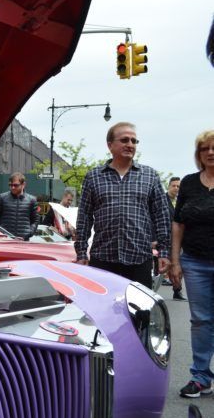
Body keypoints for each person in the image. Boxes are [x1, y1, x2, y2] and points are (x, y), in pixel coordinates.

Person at [75, 122, 171, 288]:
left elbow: (161, 216)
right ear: (110, 145)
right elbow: (84, 216)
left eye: (134, 141)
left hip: (139, 258)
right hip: (103, 259)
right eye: (125, 140)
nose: (130, 145)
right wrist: (82, 252)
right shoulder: (94, 177)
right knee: (103, 311)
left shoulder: (149, 176)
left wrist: (164, 252)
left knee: (139, 311)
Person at [171, 130, 214, 397]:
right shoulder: (187, 183)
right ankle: (200, 376)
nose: (210, 152)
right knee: (201, 321)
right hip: (195, 263)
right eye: (204, 149)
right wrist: (175, 261)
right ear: (198, 154)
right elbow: (178, 223)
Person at [0, 172, 38, 241]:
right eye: (10, 185)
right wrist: (4, 234)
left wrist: (27, 234)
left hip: (23, 241)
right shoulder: (1, 198)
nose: (12, 187)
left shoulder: (32, 200)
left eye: (16, 185)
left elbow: (35, 221)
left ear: (23, 185)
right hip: (5, 240)